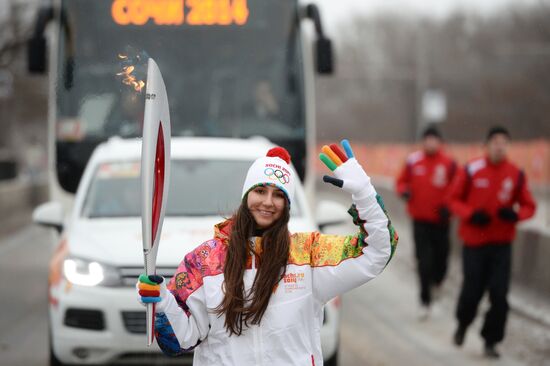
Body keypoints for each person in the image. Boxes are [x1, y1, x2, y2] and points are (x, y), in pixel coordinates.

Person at [136, 141, 398, 365]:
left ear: (287, 205)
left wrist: (363, 192)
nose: (268, 202)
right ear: (246, 195)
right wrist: (161, 302)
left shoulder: (309, 255)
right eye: (260, 191)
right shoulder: (205, 262)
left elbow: (377, 250)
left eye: (278, 195)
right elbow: (179, 341)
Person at [448, 126, 536, 358]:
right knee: (472, 291)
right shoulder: (472, 169)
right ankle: (463, 324)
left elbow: (529, 206)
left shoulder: (515, 173)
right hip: (474, 243)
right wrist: (471, 214)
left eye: (504, 142)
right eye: (495, 142)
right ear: (486, 145)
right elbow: (453, 200)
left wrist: (516, 215)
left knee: (499, 294)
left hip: (501, 245)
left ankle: (491, 340)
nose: (499, 146)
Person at [395, 126, 457, 319]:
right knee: (424, 262)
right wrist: (404, 191)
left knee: (442, 260)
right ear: (423, 141)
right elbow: (400, 182)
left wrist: (450, 207)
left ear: (439, 142)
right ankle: (424, 300)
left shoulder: (449, 164)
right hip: (420, 220)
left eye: (434, 139)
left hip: (441, 220)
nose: (430, 143)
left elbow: (458, 189)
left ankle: (437, 283)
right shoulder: (414, 161)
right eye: (427, 139)